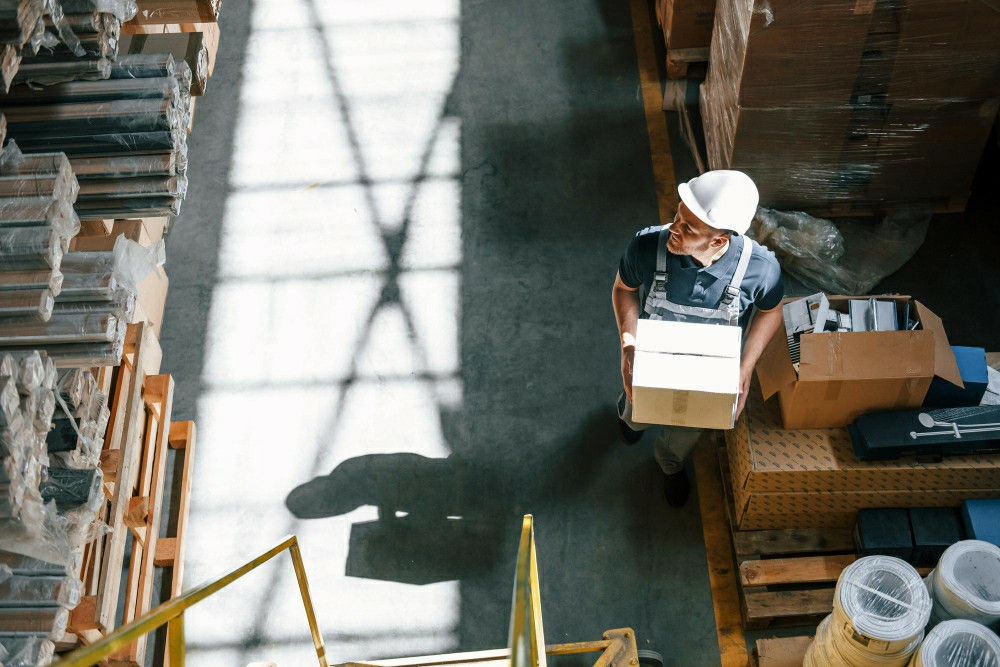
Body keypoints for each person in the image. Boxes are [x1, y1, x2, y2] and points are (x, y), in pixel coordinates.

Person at [612, 170, 784, 507]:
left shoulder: (761, 270)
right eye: (678, 215)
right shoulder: (647, 247)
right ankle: (631, 423)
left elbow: (771, 311)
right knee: (636, 409)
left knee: (687, 428)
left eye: (688, 228)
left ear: (719, 241)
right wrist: (628, 344)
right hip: (652, 357)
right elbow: (624, 289)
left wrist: (745, 367)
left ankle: (670, 465)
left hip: (708, 373)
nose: (673, 228)